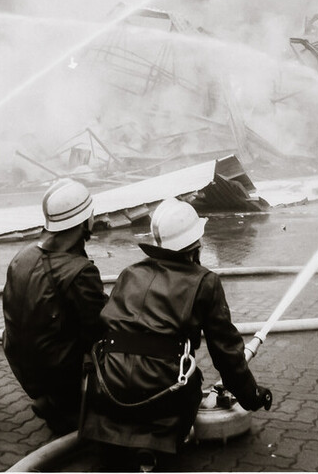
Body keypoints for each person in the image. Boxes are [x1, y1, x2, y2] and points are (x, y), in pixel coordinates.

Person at [80, 198, 273, 471]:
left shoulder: (130, 273)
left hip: (108, 392)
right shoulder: (205, 282)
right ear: (196, 243)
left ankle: (117, 444)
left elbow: (106, 328)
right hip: (162, 397)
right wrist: (252, 396)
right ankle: (153, 451)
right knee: (192, 380)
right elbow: (226, 353)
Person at [2, 179, 108, 434]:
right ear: (83, 220)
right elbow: (98, 327)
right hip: (57, 373)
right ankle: (74, 405)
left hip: (25, 366)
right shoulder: (80, 272)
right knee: (115, 342)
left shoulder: (23, 256)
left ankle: (55, 400)